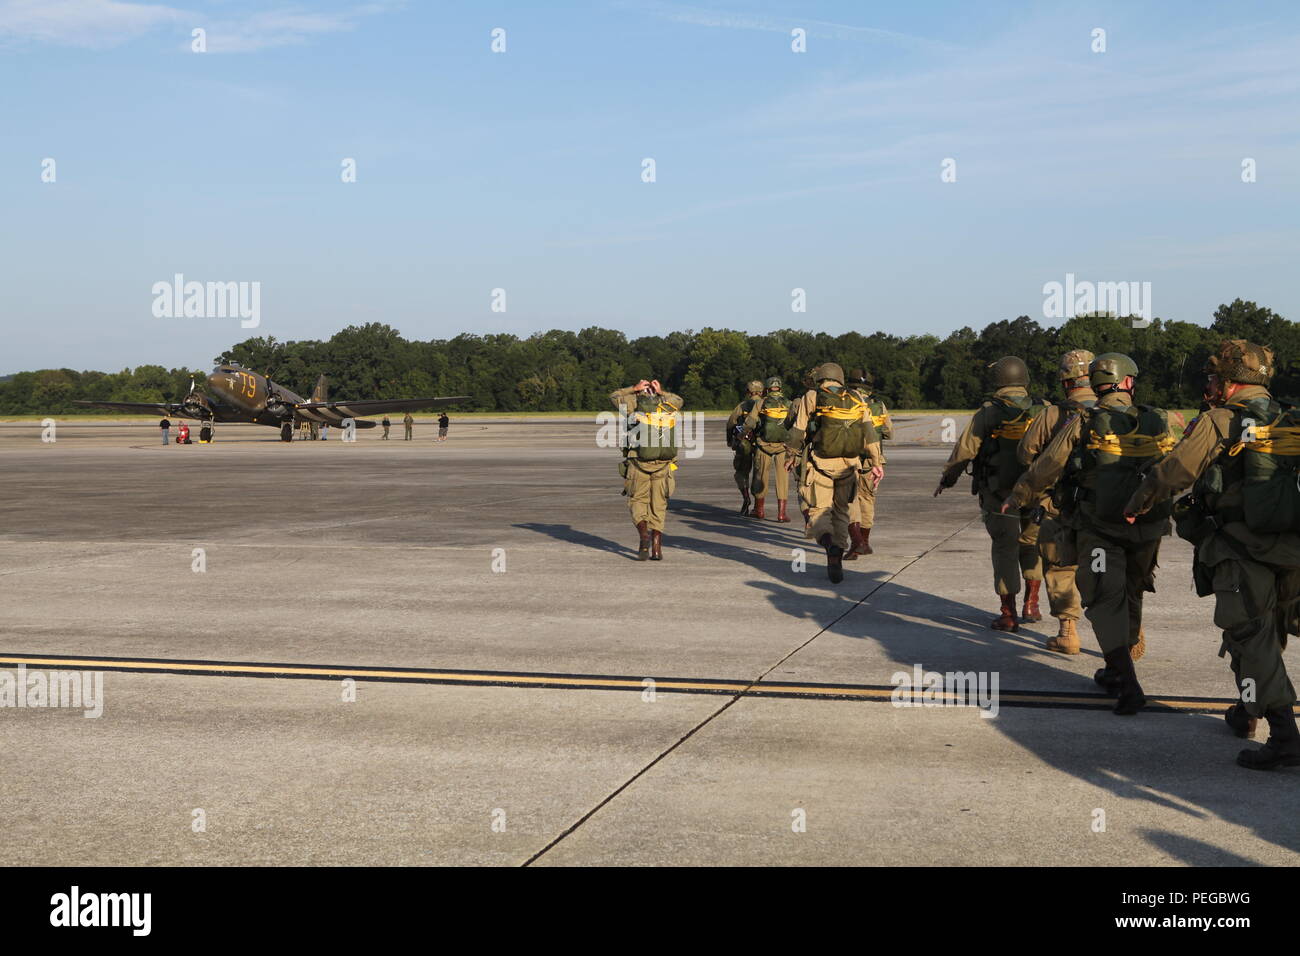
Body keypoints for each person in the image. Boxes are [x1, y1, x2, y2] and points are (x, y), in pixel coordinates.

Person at [1126, 340, 1300, 768]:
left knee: (1249, 634)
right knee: (1269, 628)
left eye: (1213, 377)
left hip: (1241, 548)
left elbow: (1177, 470)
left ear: (1227, 381)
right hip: (1292, 547)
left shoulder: (1222, 420)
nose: (1210, 385)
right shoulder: (1290, 417)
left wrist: (1139, 501)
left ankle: (1285, 735)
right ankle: (1246, 709)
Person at [1003, 353, 1173, 716]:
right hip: (1148, 526)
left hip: (1100, 526)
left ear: (1095, 384)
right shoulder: (1157, 418)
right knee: (1132, 589)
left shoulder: (1084, 420)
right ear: (1128, 382)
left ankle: (1127, 683)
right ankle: (1117, 667)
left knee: (1102, 599)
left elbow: (1046, 464)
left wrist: (1018, 495)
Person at [934, 356, 1047, 631]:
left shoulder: (989, 411)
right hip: (1036, 491)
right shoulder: (1044, 409)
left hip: (998, 492)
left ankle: (1008, 614)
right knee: (1032, 544)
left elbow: (965, 450)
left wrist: (947, 479)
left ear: (998, 379)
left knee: (1005, 548)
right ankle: (1032, 603)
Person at [1015, 350, 1096, 653]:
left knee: (1061, 566)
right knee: (1109, 567)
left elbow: (1025, 453)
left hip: (1060, 504)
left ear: (1065, 379)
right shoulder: (1113, 410)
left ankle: (1068, 632)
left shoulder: (1053, 414)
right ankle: (1129, 631)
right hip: (1104, 506)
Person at [783, 363, 882, 583]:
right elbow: (869, 432)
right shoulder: (856, 396)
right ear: (840, 378)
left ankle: (830, 547)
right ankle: (838, 547)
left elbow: (799, 429)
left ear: (820, 378)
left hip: (821, 464)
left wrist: (790, 455)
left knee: (819, 512)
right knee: (841, 512)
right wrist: (876, 463)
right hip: (850, 465)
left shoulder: (812, 396)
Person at [612, 379, 684, 560]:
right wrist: (661, 391)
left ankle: (644, 536)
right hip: (663, 465)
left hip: (638, 463)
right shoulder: (667, 405)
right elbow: (679, 400)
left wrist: (634, 388)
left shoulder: (631, 405)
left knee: (637, 502)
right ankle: (657, 547)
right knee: (659, 505)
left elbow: (614, 396)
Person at [845, 369, 892, 556]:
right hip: (873, 461)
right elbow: (889, 432)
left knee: (850, 500)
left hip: (850, 458)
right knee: (868, 500)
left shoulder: (847, 402)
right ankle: (865, 541)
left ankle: (855, 543)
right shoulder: (879, 405)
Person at [742, 377, 793, 522]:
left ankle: (759, 511)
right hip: (783, 446)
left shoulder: (761, 402)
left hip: (763, 445)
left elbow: (750, 422)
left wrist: (741, 435)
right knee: (783, 479)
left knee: (760, 476)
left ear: (767, 389)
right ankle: (782, 514)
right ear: (780, 388)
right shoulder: (789, 403)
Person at [726, 381, 764, 515]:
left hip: (744, 443)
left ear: (748, 392)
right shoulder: (766, 404)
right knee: (759, 474)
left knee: (741, 472)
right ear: (762, 391)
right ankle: (759, 507)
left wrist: (730, 441)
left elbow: (731, 423)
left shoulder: (742, 406)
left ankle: (746, 498)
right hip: (762, 444)